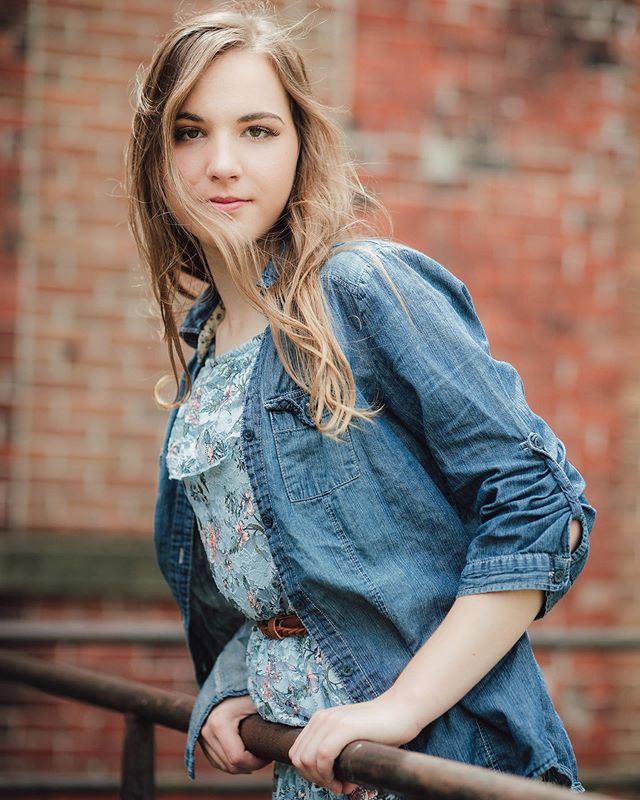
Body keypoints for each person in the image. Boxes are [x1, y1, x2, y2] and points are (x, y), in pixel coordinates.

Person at [126, 3, 595, 797]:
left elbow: (541, 505)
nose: (223, 163)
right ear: (156, 159)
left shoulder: (359, 288)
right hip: (311, 766)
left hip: (433, 760)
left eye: (258, 130)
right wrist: (236, 679)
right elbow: (274, 573)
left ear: (301, 144)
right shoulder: (205, 346)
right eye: (189, 131)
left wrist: (399, 707)